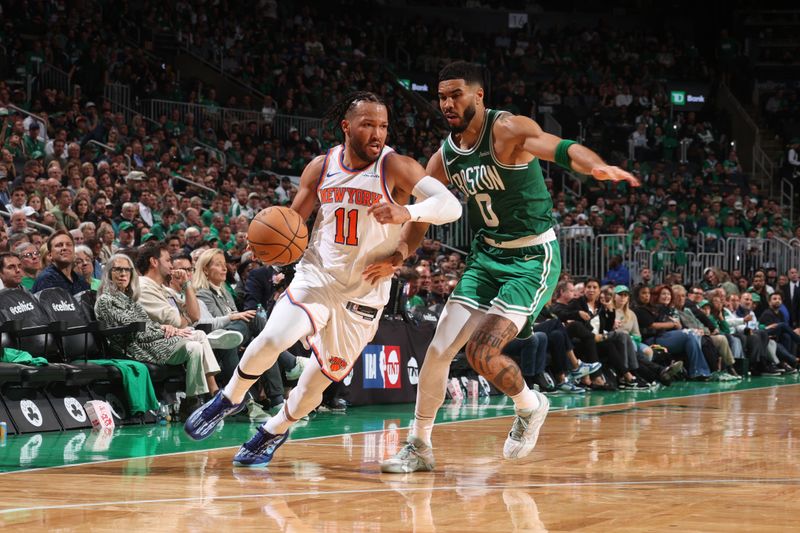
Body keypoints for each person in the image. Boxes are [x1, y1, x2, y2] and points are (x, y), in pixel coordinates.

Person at [381, 61, 639, 473]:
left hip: (531, 258)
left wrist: (594, 166)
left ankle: (530, 405)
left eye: (456, 95)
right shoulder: (445, 156)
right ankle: (419, 445)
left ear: (478, 96)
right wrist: (398, 255)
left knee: (482, 353)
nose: (447, 103)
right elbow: (422, 214)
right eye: (442, 96)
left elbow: (559, 146)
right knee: (438, 350)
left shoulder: (507, 130)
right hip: (486, 257)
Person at [184, 91, 462, 468]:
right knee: (273, 336)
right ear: (347, 127)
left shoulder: (396, 166)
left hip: (365, 291)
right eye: (368, 125)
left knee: (317, 380)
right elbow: (292, 226)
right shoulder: (321, 166)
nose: (377, 133)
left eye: (382, 125)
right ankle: (229, 398)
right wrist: (268, 246)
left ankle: (275, 429)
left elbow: (448, 206)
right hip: (317, 275)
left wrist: (401, 233)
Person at [94, 253, 221, 412]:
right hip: (135, 348)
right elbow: (136, 331)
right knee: (195, 345)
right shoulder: (106, 300)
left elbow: (146, 324)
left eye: (127, 270)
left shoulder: (128, 299)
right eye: (118, 269)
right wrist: (165, 331)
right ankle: (200, 397)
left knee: (197, 340)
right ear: (108, 273)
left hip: (150, 342)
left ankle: (193, 399)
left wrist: (165, 328)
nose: (123, 274)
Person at [31, 230, 90, 294]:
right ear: (50, 255)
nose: (65, 248)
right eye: (59, 245)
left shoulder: (81, 280)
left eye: (69, 244)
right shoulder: (46, 279)